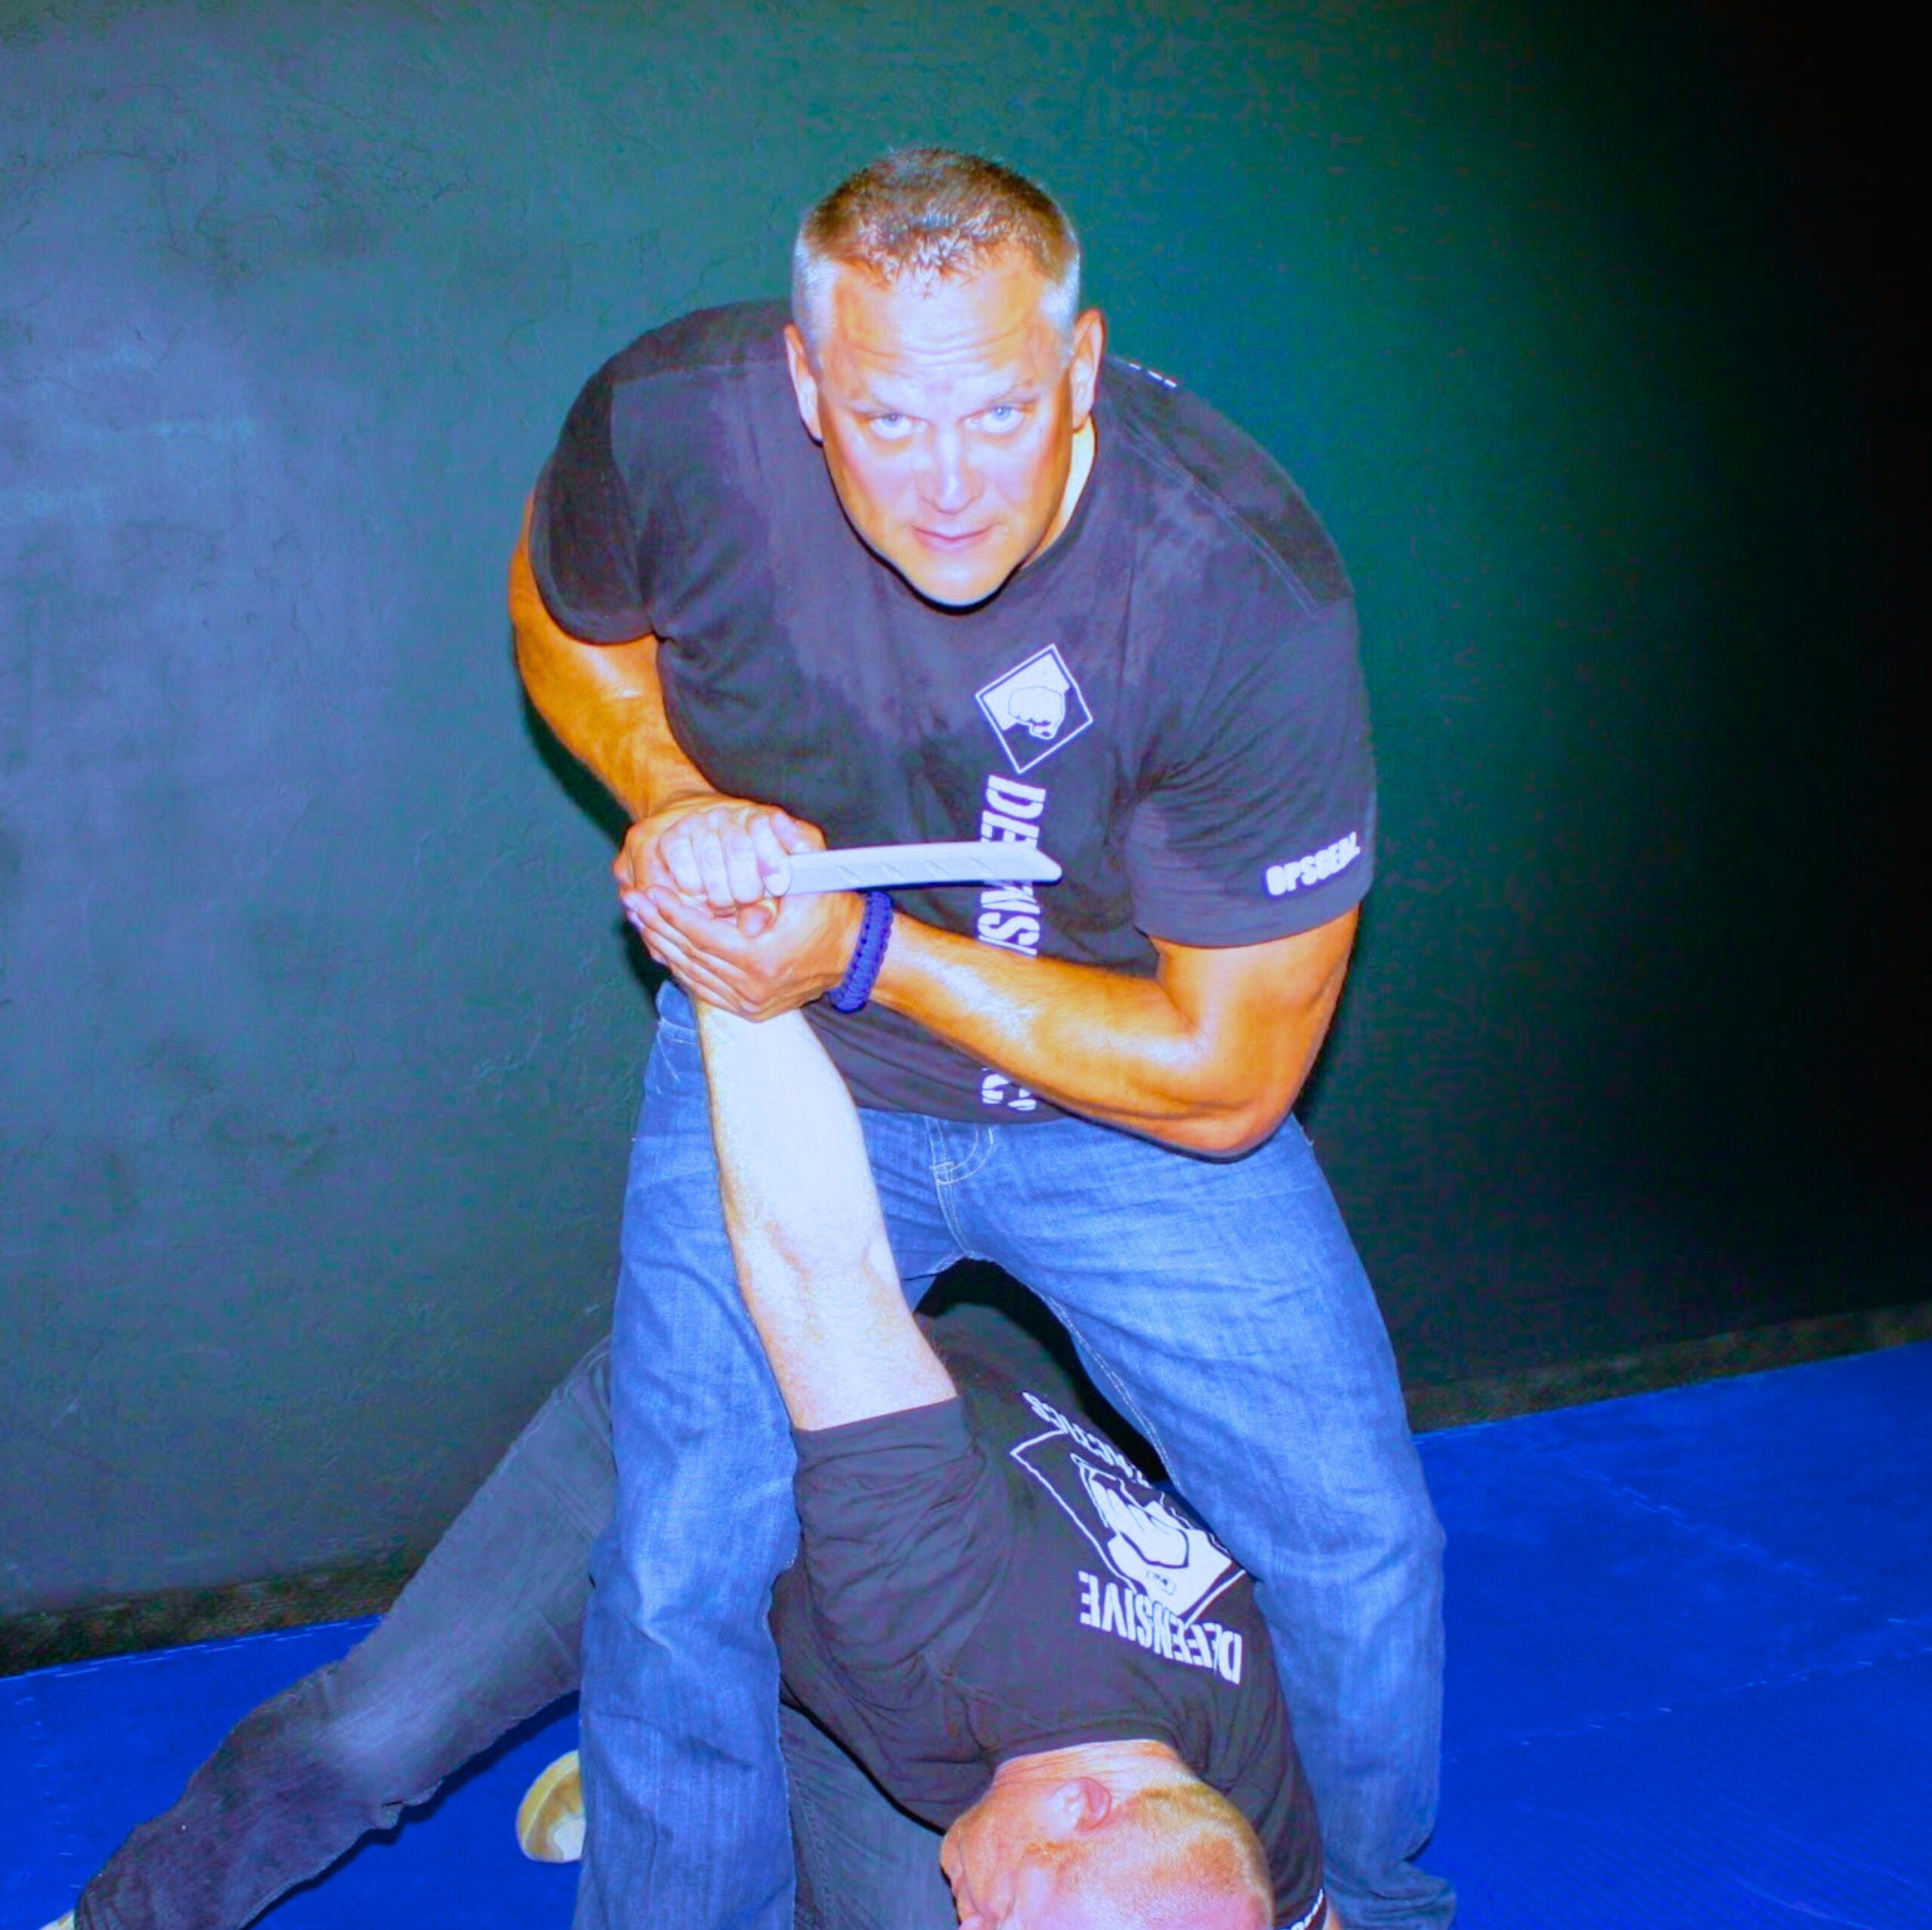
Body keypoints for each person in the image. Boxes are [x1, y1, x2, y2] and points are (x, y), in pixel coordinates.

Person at [512, 146, 1448, 1930]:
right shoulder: (678, 424)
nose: (947, 483)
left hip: (1118, 1097)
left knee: (1356, 1545)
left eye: (1000, 411)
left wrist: (864, 946)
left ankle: (1367, 1912)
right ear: (806, 386)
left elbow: (1228, 1077)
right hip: (792, 1051)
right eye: (884, 418)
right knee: (680, 1562)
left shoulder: (1231, 584)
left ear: (1078, 367)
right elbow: (566, 623)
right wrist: (669, 789)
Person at [43, 1004, 1335, 1930]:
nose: (980, 1919)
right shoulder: (935, 1586)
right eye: (1010, 1918)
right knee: (369, 1742)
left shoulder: (1228, 1808)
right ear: (1094, 1805)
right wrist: (743, 979)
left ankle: (685, 1775)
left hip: (868, 1656)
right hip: (720, 1446)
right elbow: (818, 1266)